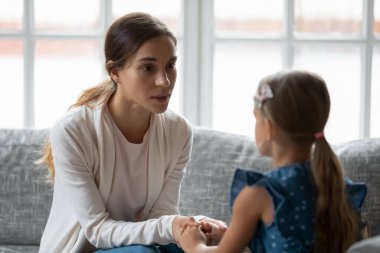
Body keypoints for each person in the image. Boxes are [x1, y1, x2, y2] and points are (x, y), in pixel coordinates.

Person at [38, 12, 225, 253]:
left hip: (138, 245)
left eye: (170, 65)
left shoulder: (179, 131)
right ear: (115, 72)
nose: (164, 81)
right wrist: (172, 226)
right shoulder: (72, 131)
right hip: (87, 248)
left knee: (207, 244)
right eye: (148, 68)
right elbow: (97, 230)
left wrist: (193, 226)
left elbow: (161, 215)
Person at [178, 70, 362, 253]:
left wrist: (193, 245)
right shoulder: (339, 188)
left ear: (268, 126)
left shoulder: (261, 193)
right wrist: (226, 235)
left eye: (255, 117)